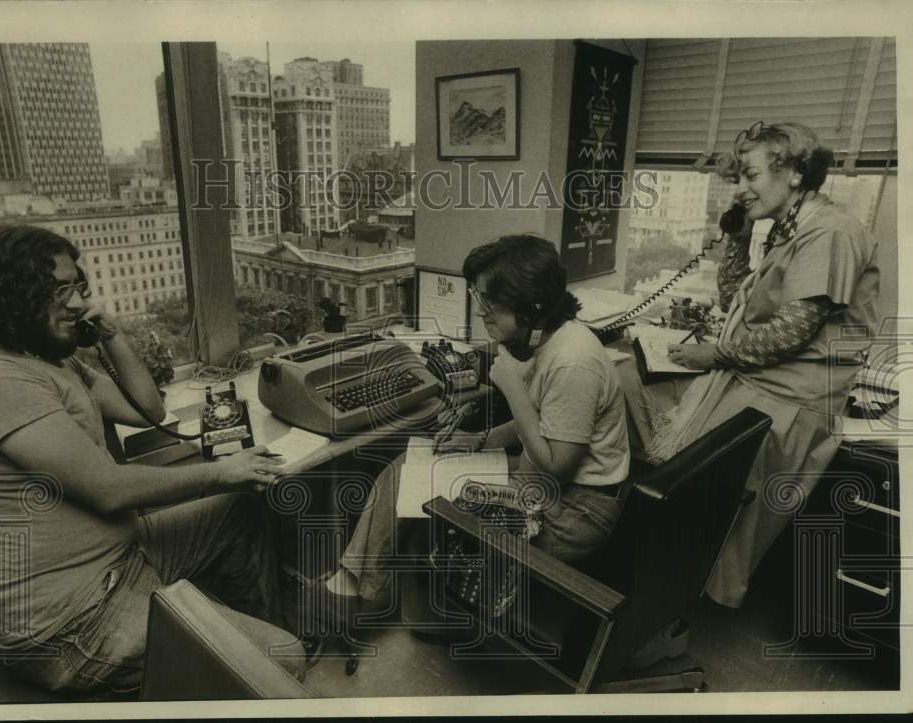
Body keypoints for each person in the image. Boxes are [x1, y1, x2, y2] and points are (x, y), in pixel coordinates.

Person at [0, 225, 295, 695]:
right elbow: (109, 490)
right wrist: (224, 470)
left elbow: (146, 409)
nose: (75, 302)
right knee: (285, 657)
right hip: (70, 624)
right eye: (57, 290)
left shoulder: (52, 362)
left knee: (240, 512)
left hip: (122, 559)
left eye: (76, 287)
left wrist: (109, 335)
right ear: (7, 297)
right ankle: (250, 666)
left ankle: (238, 660)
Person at [306, 234, 630, 625]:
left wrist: (512, 388)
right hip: (547, 482)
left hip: (574, 509)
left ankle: (352, 592)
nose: (482, 313)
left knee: (425, 493)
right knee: (411, 465)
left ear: (532, 305)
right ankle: (353, 581)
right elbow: (546, 424)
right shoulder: (548, 340)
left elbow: (557, 464)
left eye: (489, 303)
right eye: (480, 300)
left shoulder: (572, 362)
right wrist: (479, 440)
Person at [658, 121, 879, 607]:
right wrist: (737, 235)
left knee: (719, 522)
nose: (740, 189)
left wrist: (712, 353)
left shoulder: (830, 233)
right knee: (700, 512)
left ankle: (668, 627)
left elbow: (791, 331)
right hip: (758, 385)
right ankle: (666, 613)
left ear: (795, 174)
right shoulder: (789, 228)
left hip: (786, 400)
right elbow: (730, 296)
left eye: (750, 176)